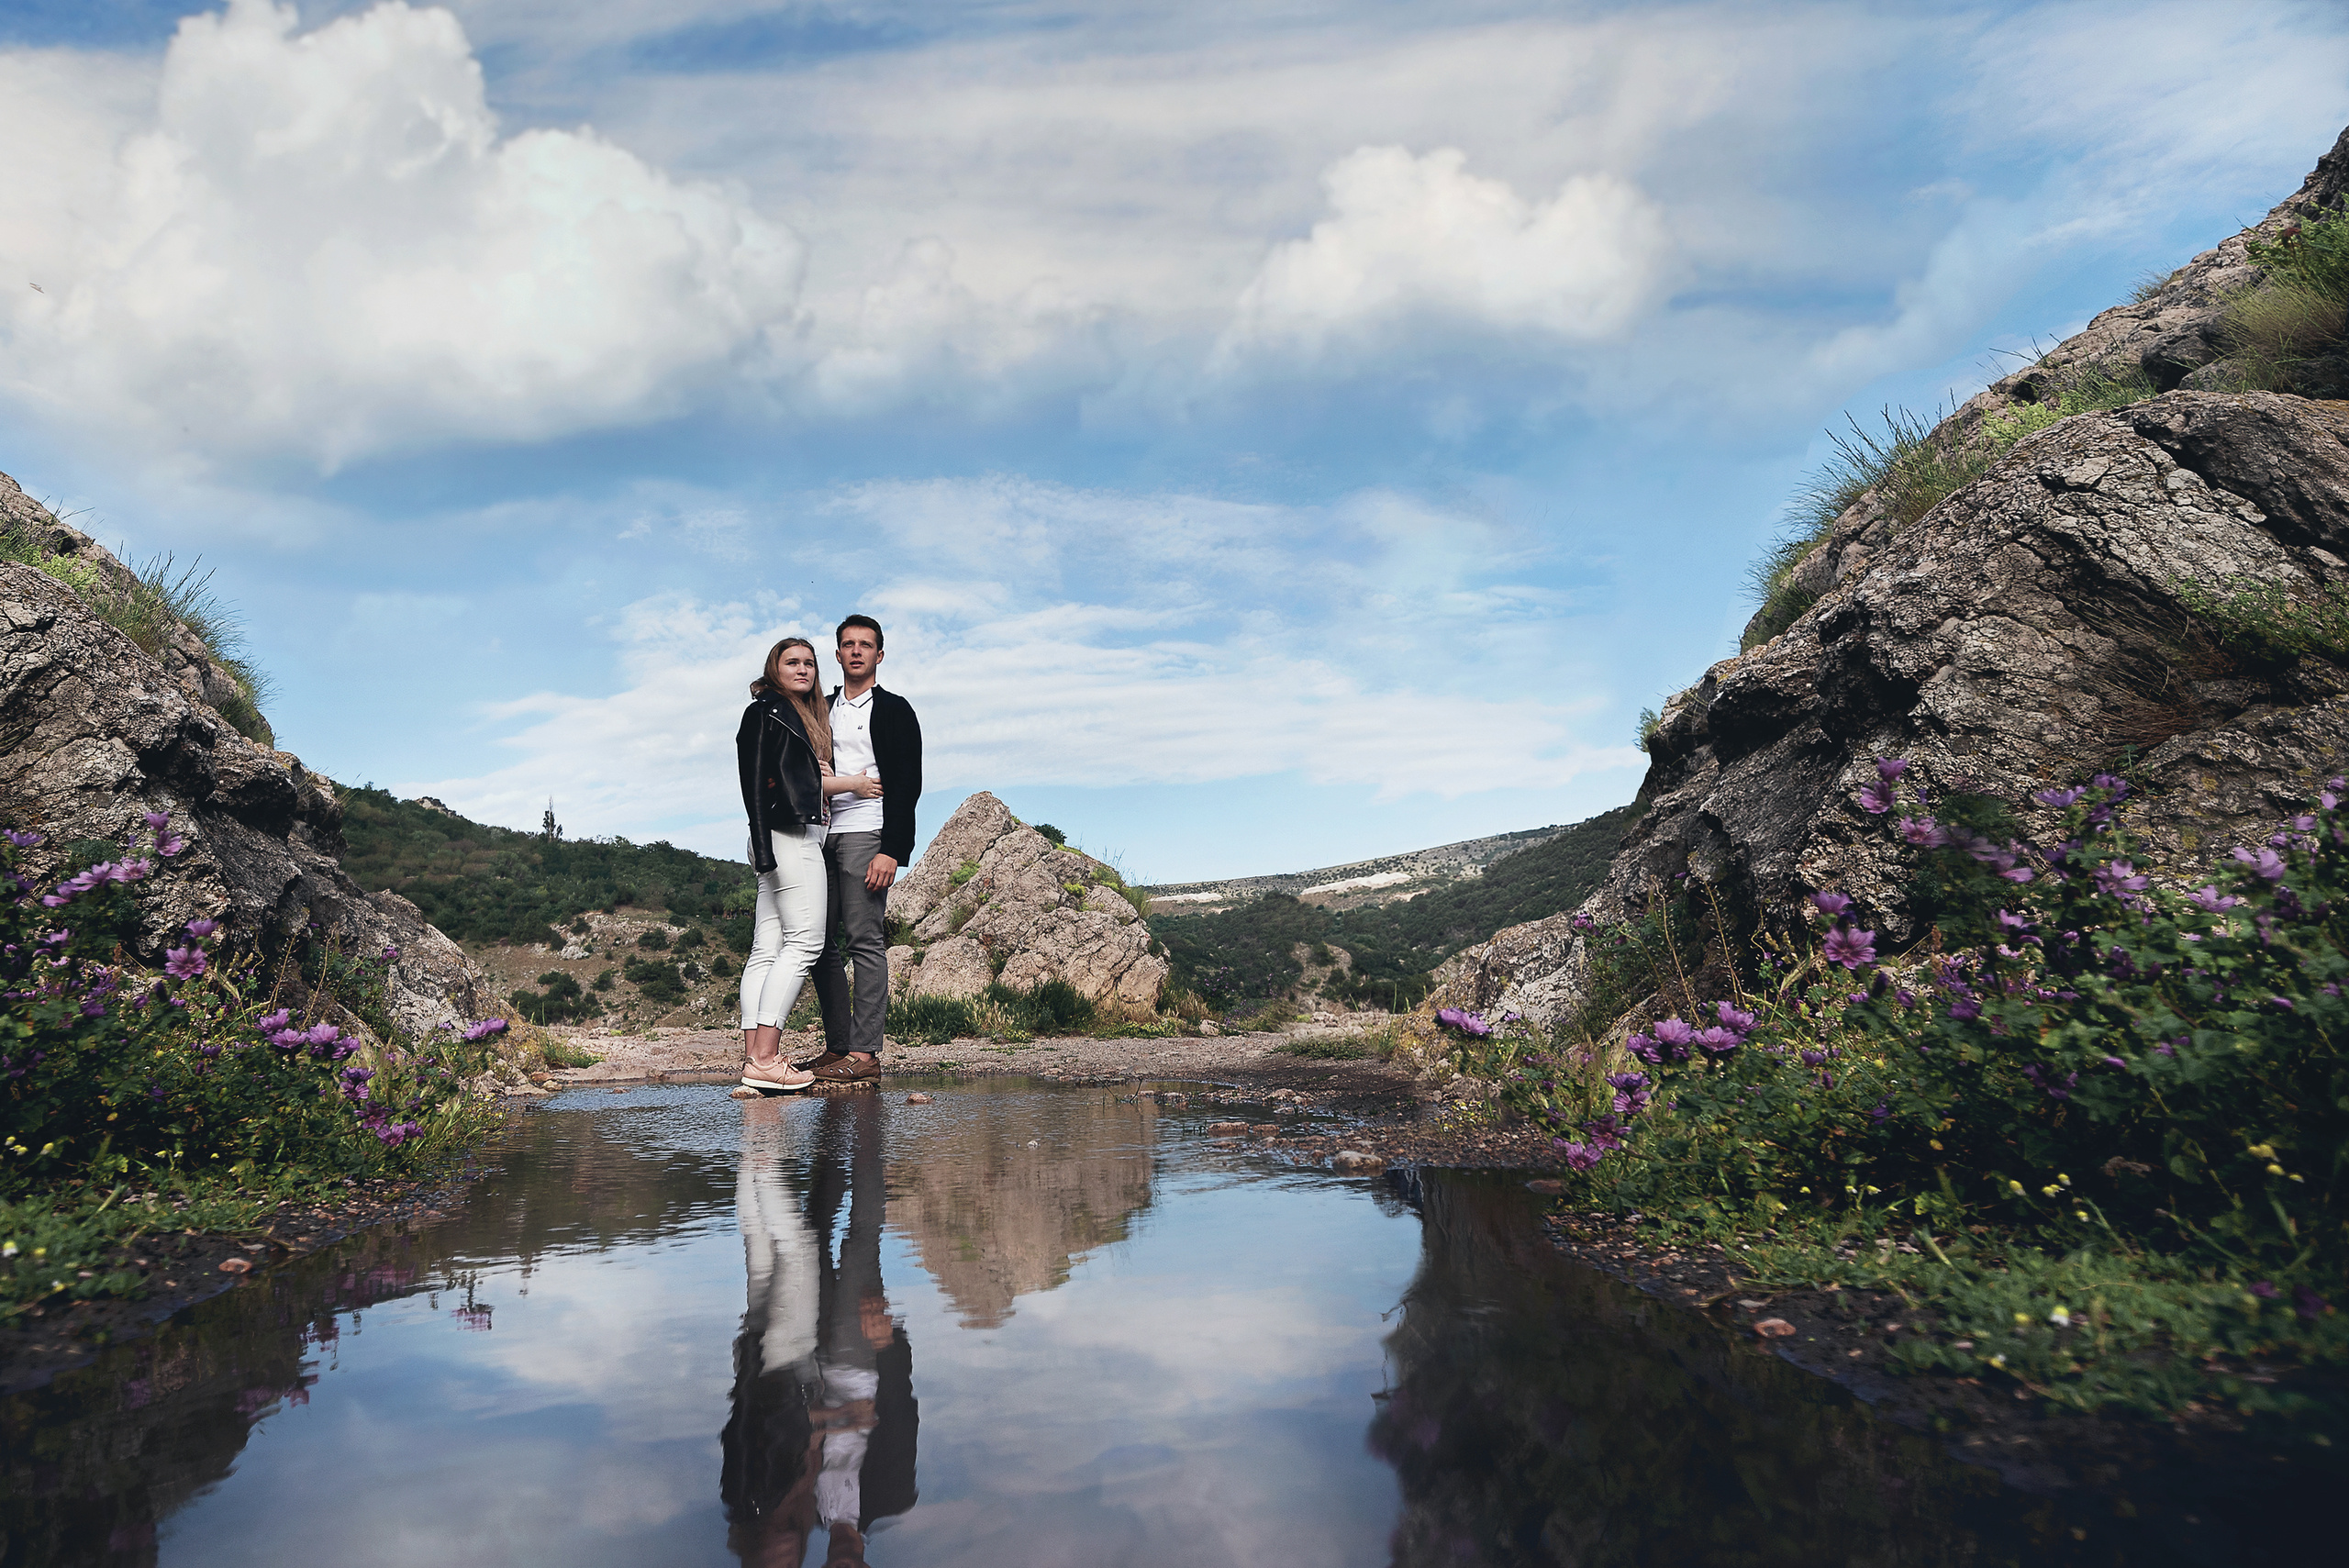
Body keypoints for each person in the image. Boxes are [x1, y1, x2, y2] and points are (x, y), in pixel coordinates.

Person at [723, 1093, 918, 1566]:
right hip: (856, 1356)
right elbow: (903, 1412)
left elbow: (767, 1426)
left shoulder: (787, 1505)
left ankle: (819, 1136)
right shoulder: (890, 1495)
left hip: (804, 1361)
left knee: (808, 1235)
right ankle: (868, 1137)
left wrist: (832, 1417)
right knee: (860, 1240)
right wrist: (888, 1344)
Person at [735, 637, 883, 1094]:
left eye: (809, 663)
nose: (802, 669)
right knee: (805, 943)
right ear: (773, 668)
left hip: (784, 838)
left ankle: (753, 1059)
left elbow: (797, 779)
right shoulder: (770, 712)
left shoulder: (792, 714)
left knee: (767, 948)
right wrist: (854, 784)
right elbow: (756, 786)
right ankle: (764, 1057)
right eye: (791, 662)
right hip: (791, 838)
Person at [799, 616, 922, 1084]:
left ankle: (866, 1052)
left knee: (864, 941)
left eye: (865, 645)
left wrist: (892, 849)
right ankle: (839, 1047)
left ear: (879, 655)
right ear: (837, 654)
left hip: (867, 833)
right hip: (819, 835)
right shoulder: (820, 708)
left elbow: (908, 784)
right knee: (817, 943)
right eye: (848, 644)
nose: (856, 651)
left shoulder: (895, 711)